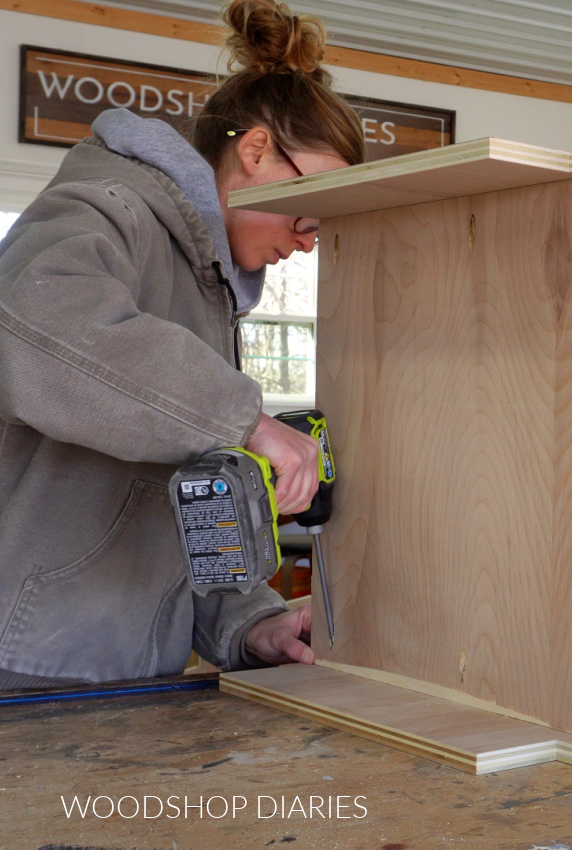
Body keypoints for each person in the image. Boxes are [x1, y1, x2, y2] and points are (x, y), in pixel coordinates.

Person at [0, 0, 365, 688]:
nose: (310, 238)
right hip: (23, 664)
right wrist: (245, 420)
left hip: (126, 671)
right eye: (308, 210)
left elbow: (182, 503)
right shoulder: (111, 206)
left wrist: (250, 623)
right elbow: (30, 327)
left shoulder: (210, 288)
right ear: (256, 151)